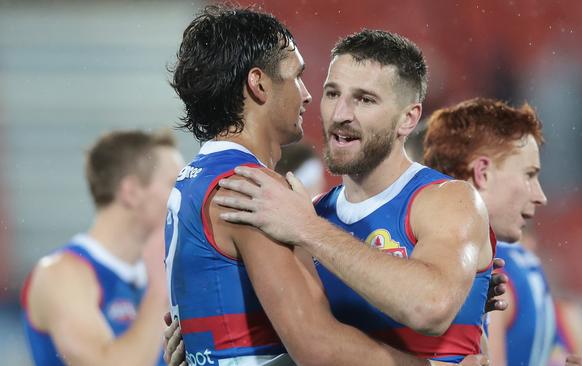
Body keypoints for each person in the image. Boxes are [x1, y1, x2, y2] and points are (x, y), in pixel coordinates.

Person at [165, 5, 491, 366]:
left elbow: (431, 306)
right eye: (331, 93)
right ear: (258, 84)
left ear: (408, 118)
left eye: (364, 99)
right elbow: (316, 346)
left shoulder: (447, 200)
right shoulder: (274, 203)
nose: (338, 114)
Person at [421, 97, 582, 366]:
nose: (541, 196)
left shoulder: (482, 270)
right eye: (529, 174)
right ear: (482, 173)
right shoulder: (483, 273)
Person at [21, 130, 183, 365]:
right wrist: (159, 292)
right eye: (174, 183)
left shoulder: (156, 274)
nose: (183, 194)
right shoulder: (60, 274)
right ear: (131, 192)